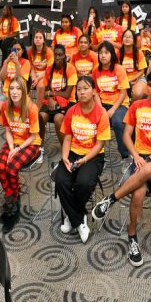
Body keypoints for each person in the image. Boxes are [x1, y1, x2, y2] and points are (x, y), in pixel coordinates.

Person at [91, 71, 151, 267]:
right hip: (139, 160)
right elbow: (126, 136)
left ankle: (111, 199)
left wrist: (147, 159)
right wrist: (137, 156)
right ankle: (132, 237)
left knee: (147, 171)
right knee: (138, 194)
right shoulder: (137, 106)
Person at [57, 76, 111, 243]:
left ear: (94, 91)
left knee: (83, 183)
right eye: (79, 89)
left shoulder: (101, 113)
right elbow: (67, 137)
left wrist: (85, 159)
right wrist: (65, 157)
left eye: (86, 88)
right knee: (61, 180)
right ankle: (78, 219)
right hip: (73, 152)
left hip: (93, 155)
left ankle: (73, 217)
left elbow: (100, 143)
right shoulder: (72, 111)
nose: (82, 92)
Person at [0, 78, 41, 232]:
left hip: (30, 144)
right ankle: (11, 196)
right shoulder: (5, 106)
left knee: (11, 169)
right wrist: (12, 146)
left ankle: (12, 205)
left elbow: (34, 136)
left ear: (23, 91)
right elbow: (8, 129)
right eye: (11, 88)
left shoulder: (31, 108)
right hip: (13, 141)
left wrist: (17, 149)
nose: (14, 92)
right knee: (0, 166)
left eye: (18, 88)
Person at [0, 41, 32, 153]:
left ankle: (21, 138)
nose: (16, 52)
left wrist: (16, 64)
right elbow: (2, 77)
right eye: (14, 49)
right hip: (6, 94)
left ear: (23, 51)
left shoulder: (26, 62)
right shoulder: (7, 61)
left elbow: (22, 81)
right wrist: (6, 62)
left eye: (18, 49)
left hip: (20, 95)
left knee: (23, 115)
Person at [92, 41, 131, 159]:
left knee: (117, 123)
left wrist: (113, 110)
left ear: (112, 54)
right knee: (90, 121)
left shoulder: (119, 69)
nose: (103, 55)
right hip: (102, 104)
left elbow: (123, 92)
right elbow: (96, 93)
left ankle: (126, 156)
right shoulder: (96, 71)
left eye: (106, 53)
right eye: (100, 53)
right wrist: (101, 109)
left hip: (119, 105)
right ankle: (94, 156)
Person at [39, 45, 76, 145]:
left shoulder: (70, 69)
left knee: (58, 118)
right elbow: (46, 91)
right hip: (51, 101)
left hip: (69, 102)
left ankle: (65, 149)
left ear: (64, 56)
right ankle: (40, 148)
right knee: (41, 117)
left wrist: (52, 93)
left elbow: (67, 94)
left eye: (60, 55)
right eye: (55, 55)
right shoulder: (49, 69)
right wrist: (51, 99)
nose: (57, 57)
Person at [118, 29, 148, 101]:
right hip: (122, 79)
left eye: (129, 37)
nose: (127, 38)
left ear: (134, 40)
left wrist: (131, 80)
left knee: (137, 94)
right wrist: (125, 81)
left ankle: (132, 107)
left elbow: (142, 71)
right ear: (122, 39)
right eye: (125, 36)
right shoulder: (118, 53)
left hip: (138, 78)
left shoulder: (139, 53)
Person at [28, 30, 54, 103]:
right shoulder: (30, 51)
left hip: (45, 74)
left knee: (40, 86)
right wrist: (33, 77)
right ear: (33, 40)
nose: (38, 39)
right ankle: (30, 106)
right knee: (25, 84)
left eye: (40, 38)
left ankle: (38, 108)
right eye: (36, 37)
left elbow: (49, 69)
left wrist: (37, 79)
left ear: (43, 41)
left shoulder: (49, 52)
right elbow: (31, 67)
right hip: (34, 74)